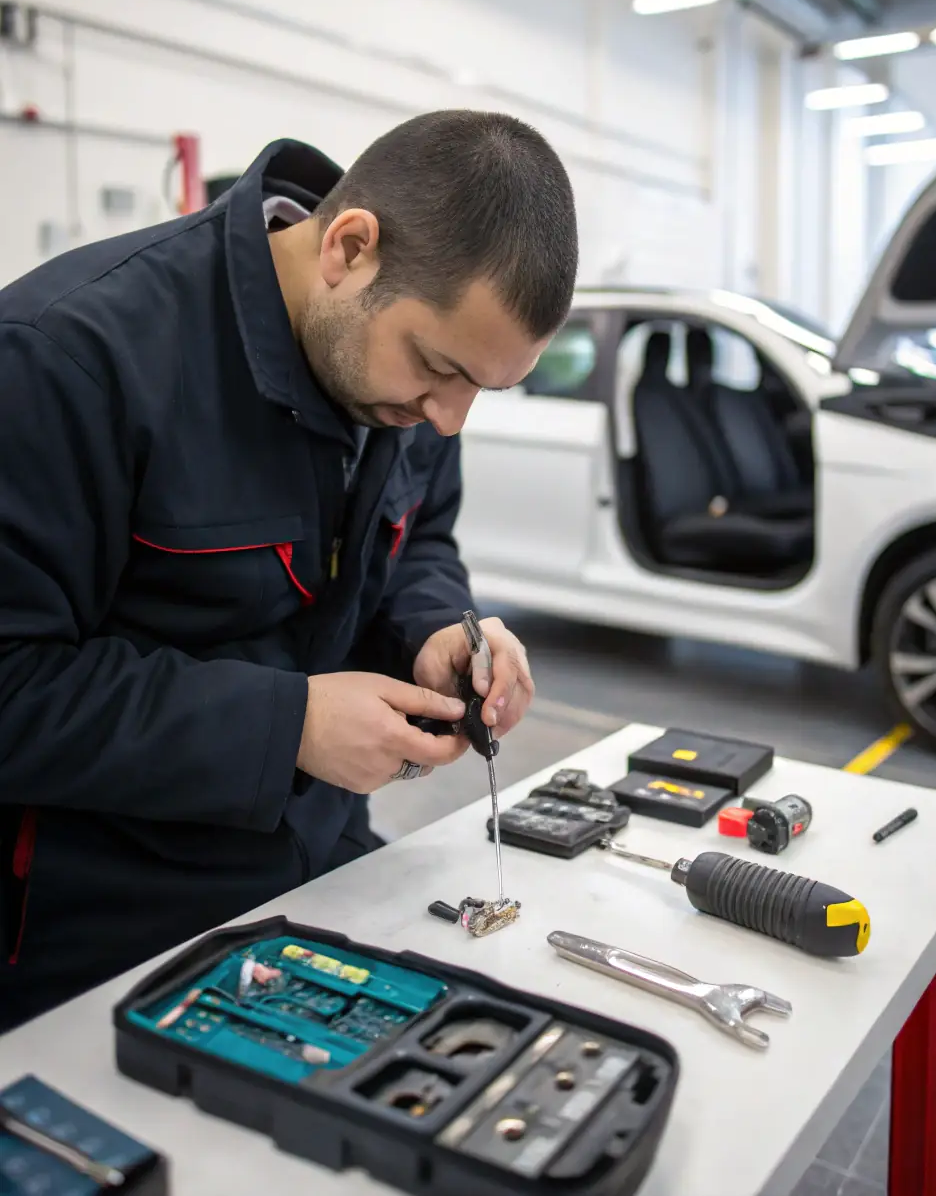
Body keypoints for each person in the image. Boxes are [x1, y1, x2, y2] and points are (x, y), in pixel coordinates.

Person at [0, 110, 578, 1032]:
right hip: (102, 931)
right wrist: (286, 728)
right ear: (348, 248)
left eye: (482, 388)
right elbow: (12, 687)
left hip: (322, 864)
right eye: (438, 369)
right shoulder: (66, 359)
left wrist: (435, 629)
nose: (450, 418)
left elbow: (420, 542)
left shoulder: (413, 386)